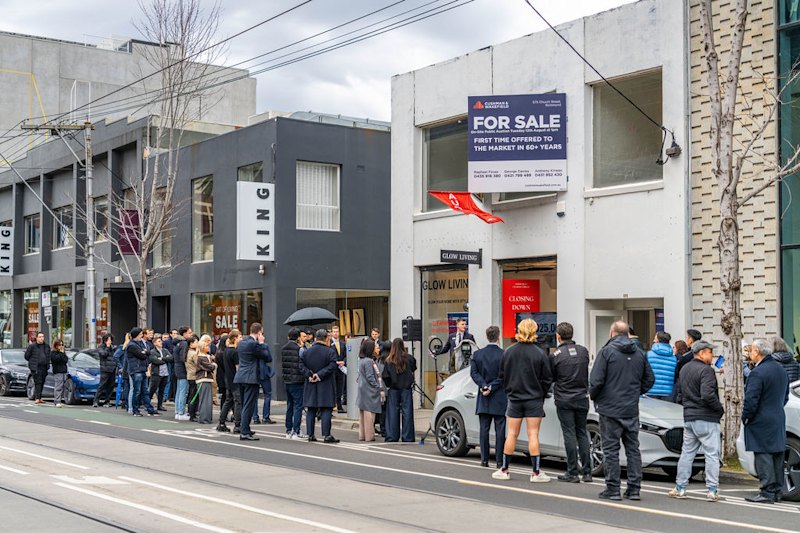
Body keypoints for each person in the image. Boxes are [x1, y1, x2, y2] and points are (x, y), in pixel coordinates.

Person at [589, 320, 655, 501]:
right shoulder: (640, 354)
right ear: (628, 334)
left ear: (612, 333)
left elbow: (595, 381)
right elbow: (650, 379)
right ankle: (634, 488)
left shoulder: (606, 352)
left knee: (611, 449)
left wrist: (596, 397)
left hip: (609, 408)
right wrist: (635, 392)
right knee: (633, 449)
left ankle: (613, 488)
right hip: (630, 408)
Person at [493, 319, 553, 483]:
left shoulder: (509, 351)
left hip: (515, 398)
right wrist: (541, 393)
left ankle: (504, 469)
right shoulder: (540, 353)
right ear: (535, 331)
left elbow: (502, 376)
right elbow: (547, 379)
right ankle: (536, 472)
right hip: (534, 399)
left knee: (511, 433)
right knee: (533, 434)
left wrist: (509, 390)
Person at [669, 340, 724, 502]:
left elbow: (679, 395)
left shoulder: (684, 369)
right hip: (706, 416)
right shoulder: (706, 371)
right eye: (709, 352)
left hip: (689, 416)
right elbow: (708, 395)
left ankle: (680, 487)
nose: (712, 356)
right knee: (712, 454)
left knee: (687, 453)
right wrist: (719, 409)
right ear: (701, 353)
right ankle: (712, 489)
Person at [742, 338, 790, 504]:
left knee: (763, 455)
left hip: (761, 419)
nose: (750, 353)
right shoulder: (780, 370)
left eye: (752, 351)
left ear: (758, 352)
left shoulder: (758, 372)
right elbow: (785, 397)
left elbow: (751, 400)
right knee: (777, 454)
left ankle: (767, 492)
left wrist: (746, 417)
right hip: (777, 416)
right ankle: (776, 491)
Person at [550, 322, 592, 483]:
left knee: (569, 433)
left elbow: (551, 377)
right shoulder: (583, 351)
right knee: (582, 433)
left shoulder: (556, 355)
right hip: (582, 397)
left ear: (558, 336)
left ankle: (572, 471)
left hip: (564, 398)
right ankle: (587, 472)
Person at [470, 326, 507, 468]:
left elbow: (474, 373)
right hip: (499, 397)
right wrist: (492, 387)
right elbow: (503, 377)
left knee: (484, 429)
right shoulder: (504, 354)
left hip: (483, 396)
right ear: (499, 337)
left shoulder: (478, 354)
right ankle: (499, 461)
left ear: (487, 337)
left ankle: (484, 460)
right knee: (500, 430)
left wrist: (484, 386)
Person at [233, 323, 272, 441]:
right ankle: (244, 431)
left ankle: (245, 428)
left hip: (241, 376)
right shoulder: (254, 344)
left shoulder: (242, 342)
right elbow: (267, 357)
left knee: (245, 403)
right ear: (259, 332)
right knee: (249, 405)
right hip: (251, 377)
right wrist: (262, 343)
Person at [300, 328, 339, 443]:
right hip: (325, 383)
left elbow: (301, 365)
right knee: (326, 408)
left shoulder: (307, 351)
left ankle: (310, 434)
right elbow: (332, 366)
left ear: (316, 338)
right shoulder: (330, 351)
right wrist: (319, 374)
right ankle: (326, 435)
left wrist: (310, 375)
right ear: (326, 338)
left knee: (311, 409)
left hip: (311, 383)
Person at [383, 338, 417, 442]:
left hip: (393, 388)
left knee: (392, 413)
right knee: (407, 413)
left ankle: (392, 436)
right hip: (406, 388)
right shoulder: (410, 358)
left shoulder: (389, 360)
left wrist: (390, 384)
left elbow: (385, 376)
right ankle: (408, 437)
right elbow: (413, 368)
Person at [281, 328, 306, 439]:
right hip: (297, 380)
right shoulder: (300, 350)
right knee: (298, 406)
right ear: (298, 337)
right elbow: (303, 363)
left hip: (287, 380)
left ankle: (288, 430)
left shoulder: (283, 348)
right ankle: (296, 430)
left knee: (289, 406)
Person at [127, 327, 157, 417]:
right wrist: (144, 353)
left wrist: (145, 352)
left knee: (145, 391)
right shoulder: (132, 345)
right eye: (140, 334)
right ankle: (135, 410)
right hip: (136, 369)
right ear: (136, 335)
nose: (141, 335)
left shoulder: (139, 343)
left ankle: (149, 409)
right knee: (137, 391)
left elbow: (147, 352)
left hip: (142, 369)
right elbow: (142, 355)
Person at [357, 338, 383, 442]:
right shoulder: (368, 361)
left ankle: (363, 435)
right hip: (369, 390)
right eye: (375, 347)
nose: (377, 348)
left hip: (363, 389)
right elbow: (370, 377)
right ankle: (369, 435)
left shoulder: (362, 360)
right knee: (370, 414)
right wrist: (378, 387)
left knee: (363, 414)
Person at [218, 330, 241, 433]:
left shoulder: (226, 350)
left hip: (228, 379)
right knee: (237, 402)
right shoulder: (235, 352)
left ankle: (221, 422)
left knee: (228, 401)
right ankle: (237, 425)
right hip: (235, 380)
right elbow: (238, 368)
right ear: (235, 338)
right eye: (240, 337)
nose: (241, 339)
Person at [646, 331, 676, 401]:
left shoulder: (648, 355)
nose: (653, 340)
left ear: (658, 341)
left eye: (655, 339)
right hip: (668, 393)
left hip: (651, 391)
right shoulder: (674, 358)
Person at [195, 336, 217, 424]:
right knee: (205, 400)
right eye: (206, 346)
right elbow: (210, 367)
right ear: (202, 348)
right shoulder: (201, 357)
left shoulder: (205, 357)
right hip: (203, 379)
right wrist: (214, 365)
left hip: (207, 379)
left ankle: (207, 417)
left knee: (207, 400)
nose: (208, 347)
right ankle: (204, 418)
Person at [24, 332, 51, 404]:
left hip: (44, 367)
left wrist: (48, 363)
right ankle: (37, 398)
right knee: (38, 382)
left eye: (42, 336)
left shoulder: (46, 346)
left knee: (42, 382)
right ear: (36, 338)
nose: (41, 338)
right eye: (40, 337)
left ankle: (40, 397)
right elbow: (26, 356)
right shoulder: (32, 346)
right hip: (36, 367)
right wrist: (33, 362)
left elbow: (49, 355)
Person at [148, 335, 172, 412]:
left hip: (165, 373)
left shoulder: (165, 350)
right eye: (159, 341)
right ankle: (147, 404)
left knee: (162, 390)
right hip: (156, 373)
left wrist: (162, 358)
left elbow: (171, 358)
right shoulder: (152, 351)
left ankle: (160, 405)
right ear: (155, 343)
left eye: (161, 341)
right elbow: (155, 361)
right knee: (152, 389)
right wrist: (164, 360)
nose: (161, 342)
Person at [252, 345, 275, 425]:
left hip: (255, 373)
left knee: (255, 396)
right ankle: (265, 417)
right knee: (267, 394)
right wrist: (263, 346)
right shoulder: (264, 346)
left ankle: (255, 417)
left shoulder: (251, 346)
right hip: (263, 373)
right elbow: (269, 358)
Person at [173, 327, 192, 421]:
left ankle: (178, 411)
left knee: (179, 391)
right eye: (189, 333)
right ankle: (181, 412)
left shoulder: (177, 343)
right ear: (184, 334)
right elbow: (183, 358)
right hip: (182, 369)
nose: (190, 335)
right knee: (183, 392)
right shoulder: (184, 343)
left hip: (177, 368)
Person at [93, 334, 116, 407]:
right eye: (108, 340)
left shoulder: (113, 347)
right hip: (105, 369)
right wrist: (107, 347)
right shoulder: (101, 347)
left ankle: (107, 401)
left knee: (110, 386)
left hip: (112, 369)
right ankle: (96, 401)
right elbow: (103, 354)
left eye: (110, 340)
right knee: (102, 385)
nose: (109, 341)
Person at [330, 325, 347, 413]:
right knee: (332, 387)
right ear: (331, 333)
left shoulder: (343, 343)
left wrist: (343, 361)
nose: (336, 333)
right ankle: (332, 405)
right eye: (334, 331)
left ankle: (339, 406)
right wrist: (336, 362)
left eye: (337, 331)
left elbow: (346, 355)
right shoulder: (329, 343)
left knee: (340, 387)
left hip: (341, 368)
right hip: (333, 368)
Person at [50, 338, 69, 408]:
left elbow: (65, 360)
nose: (61, 346)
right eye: (59, 345)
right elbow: (56, 360)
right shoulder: (53, 353)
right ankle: (57, 401)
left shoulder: (63, 352)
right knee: (58, 387)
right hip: (58, 371)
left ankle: (61, 400)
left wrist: (62, 353)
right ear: (56, 345)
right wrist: (61, 353)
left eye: (62, 345)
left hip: (64, 371)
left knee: (63, 387)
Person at [186, 334, 200, 422]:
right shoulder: (194, 353)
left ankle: (191, 412)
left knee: (192, 395)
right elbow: (198, 364)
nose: (197, 343)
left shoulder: (187, 352)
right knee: (194, 396)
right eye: (196, 342)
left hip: (190, 375)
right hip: (194, 376)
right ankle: (192, 414)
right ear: (191, 344)